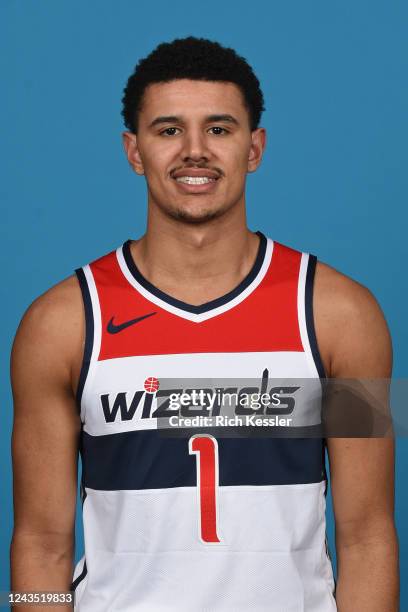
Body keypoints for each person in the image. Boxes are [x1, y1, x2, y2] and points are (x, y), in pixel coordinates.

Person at [10, 37, 399, 611]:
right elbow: (40, 542)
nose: (195, 151)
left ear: (255, 148)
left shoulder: (342, 315)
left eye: (219, 129)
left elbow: (367, 536)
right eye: (168, 130)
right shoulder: (60, 323)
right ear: (134, 151)